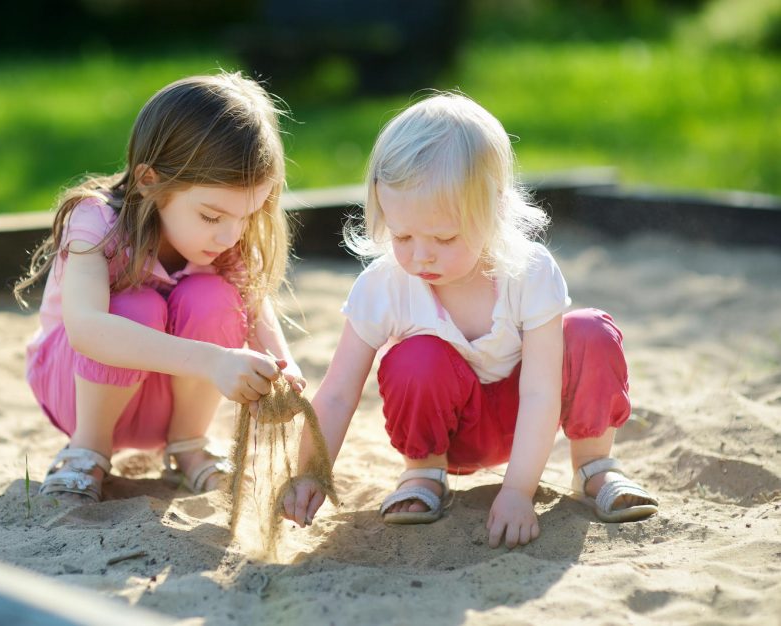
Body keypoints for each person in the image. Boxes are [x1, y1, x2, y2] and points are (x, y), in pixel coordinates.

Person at [282, 92, 658, 547]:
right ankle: (423, 474)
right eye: (401, 235)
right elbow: (339, 393)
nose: (420, 255)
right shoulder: (386, 285)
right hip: (449, 432)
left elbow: (541, 391)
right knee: (414, 356)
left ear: (494, 210)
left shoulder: (529, 270)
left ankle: (595, 467)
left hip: (527, 418)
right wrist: (309, 474)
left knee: (589, 330)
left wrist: (518, 492)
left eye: (444, 237)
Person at [15, 72, 304, 503]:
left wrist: (284, 366)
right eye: (212, 216)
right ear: (150, 179)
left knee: (215, 299)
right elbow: (86, 329)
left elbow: (255, 308)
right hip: (76, 391)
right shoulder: (95, 225)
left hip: (169, 403)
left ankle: (189, 445)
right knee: (136, 307)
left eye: (247, 216)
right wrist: (215, 361)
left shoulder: (227, 239)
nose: (230, 235)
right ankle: (87, 451)